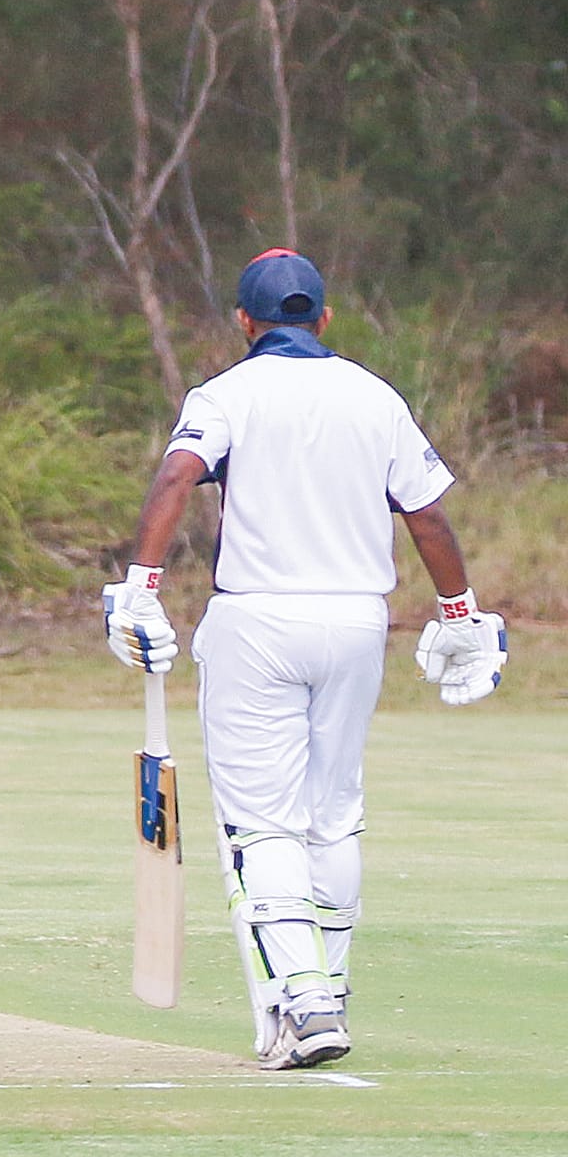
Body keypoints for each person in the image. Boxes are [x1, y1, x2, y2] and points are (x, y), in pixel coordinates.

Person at [104, 249, 507, 1071]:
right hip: (358, 621)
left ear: (245, 322)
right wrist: (461, 612)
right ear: (323, 319)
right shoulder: (375, 396)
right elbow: (426, 516)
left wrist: (140, 588)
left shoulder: (225, 394)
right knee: (333, 812)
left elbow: (181, 471)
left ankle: (307, 1000)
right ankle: (328, 990)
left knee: (264, 821)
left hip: (258, 620)